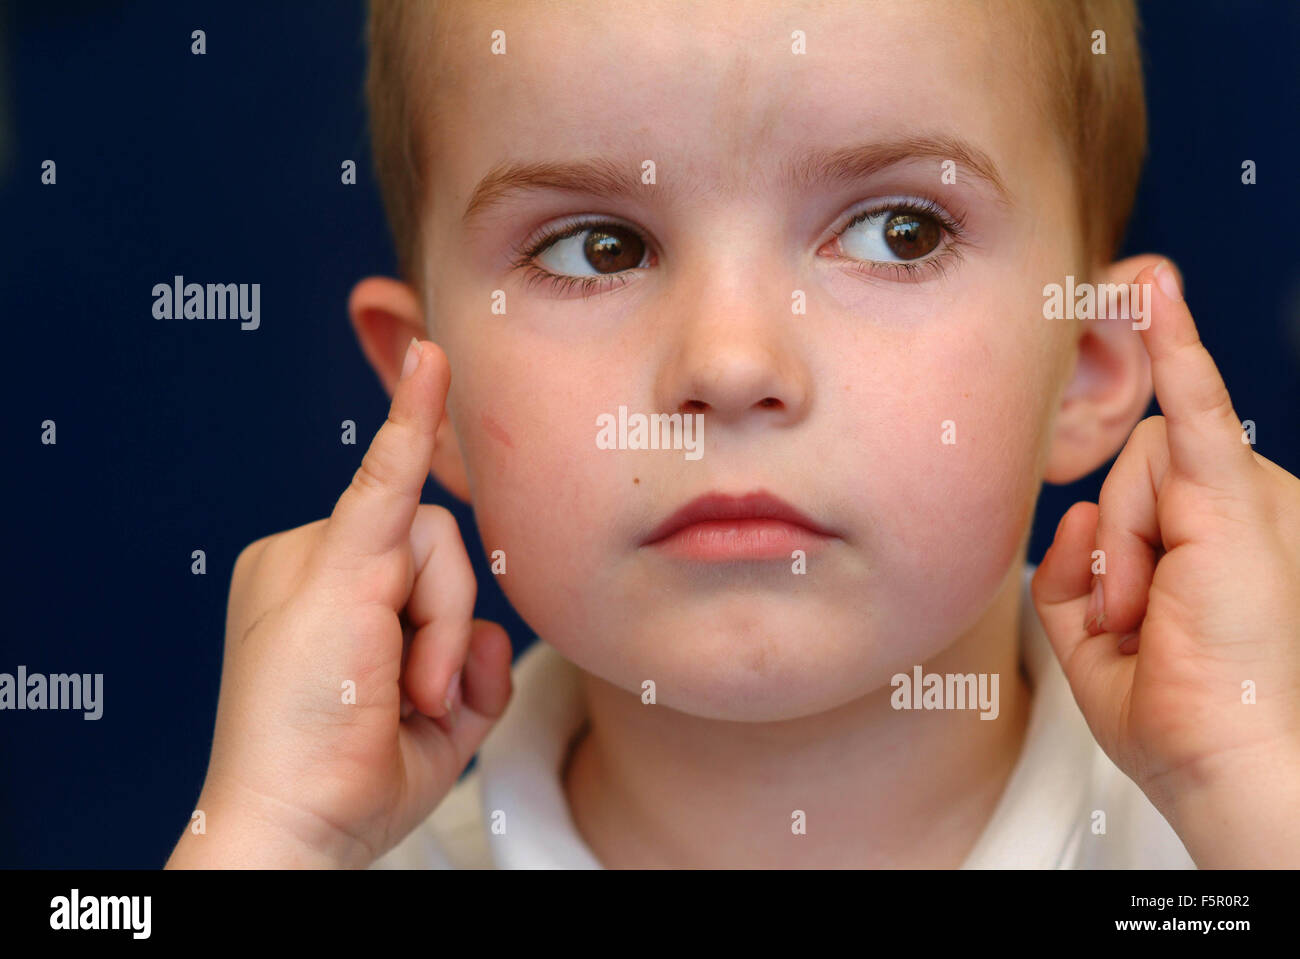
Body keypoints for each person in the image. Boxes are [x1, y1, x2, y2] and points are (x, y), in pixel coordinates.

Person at [166, 0, 1300, 869]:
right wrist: (264, 835)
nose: (732, 362)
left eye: (899, 232)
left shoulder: (1224, 838)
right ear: (432, 393)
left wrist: (1255, 783)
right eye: (595, 248)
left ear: (1088, 366)